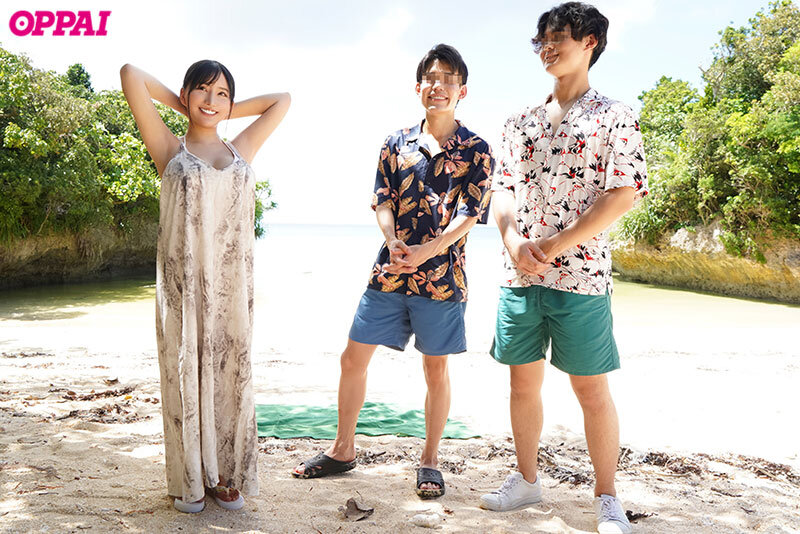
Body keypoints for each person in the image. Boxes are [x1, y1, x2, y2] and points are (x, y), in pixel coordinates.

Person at [291, 44, 493, 499]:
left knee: (435, 369)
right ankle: (343, 449)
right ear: (418, 86)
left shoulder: (477, 149)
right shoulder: (395, 142)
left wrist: (429, 250)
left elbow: (470, 214)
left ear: (462, 90)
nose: (438, 86)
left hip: (442, 278)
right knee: (352, 358)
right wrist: (393, 240)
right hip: (390, 270)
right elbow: (383, 199)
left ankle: (430, 459)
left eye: (448, 79)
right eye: (431, 78)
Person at [478, 3, 647, 533]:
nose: (548, 48)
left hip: (582, 276)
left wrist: (555, 244)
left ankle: (607, 496)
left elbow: (623, 193)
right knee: (521, 385)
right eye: (543, 41)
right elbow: (502, 190)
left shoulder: (614, 115)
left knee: (591, 390)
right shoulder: (519, 121)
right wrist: (512, 240)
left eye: (559, 38)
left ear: (590, 42)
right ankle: (527, 481)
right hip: (520, 275)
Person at [120, 60, 290, 513]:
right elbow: (130, 74)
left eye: (221, 93)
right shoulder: (169, 149)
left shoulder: (241, 148)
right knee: (186, 376)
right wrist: (186, 106)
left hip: (232, 291)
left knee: (231, 375)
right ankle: (191, 479)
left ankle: (226, 475)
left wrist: (217, 110)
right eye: (202, 89)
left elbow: (282, 100)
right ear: (185, 93)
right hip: (185, 289)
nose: (211, 99)